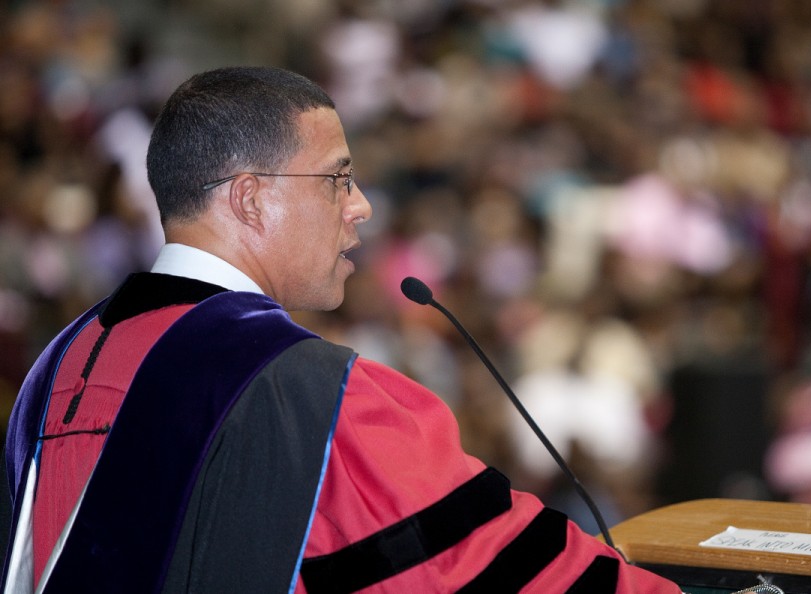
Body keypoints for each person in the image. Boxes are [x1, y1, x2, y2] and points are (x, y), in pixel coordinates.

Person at [1, 66, 681, 593]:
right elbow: (483, 570)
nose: (361, 207)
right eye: (338, 179)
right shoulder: (310, 395)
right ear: (249, 197)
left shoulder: (58, 366)